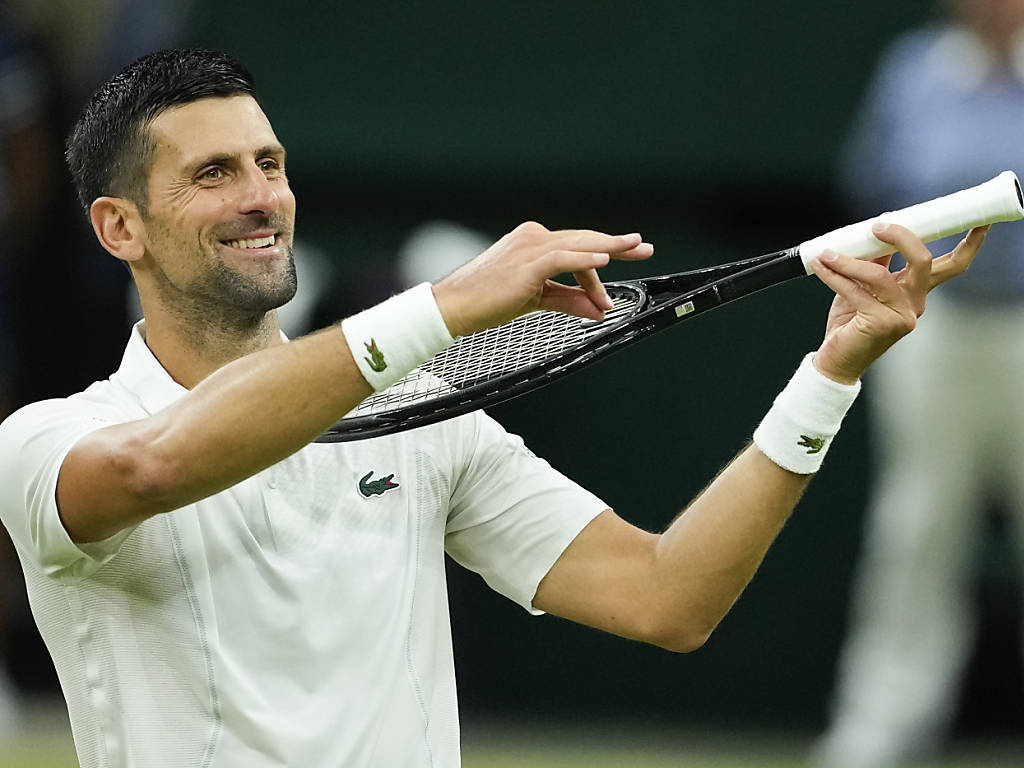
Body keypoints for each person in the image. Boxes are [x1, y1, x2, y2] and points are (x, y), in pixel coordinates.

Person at [0, 48, 990, 767]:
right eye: (213, 174)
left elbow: (666, 596)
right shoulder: (50, 443)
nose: (260, 196)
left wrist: (830, 372)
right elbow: (156, 467)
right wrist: (441, 307)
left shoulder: (425, 420)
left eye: (270, 164)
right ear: (118, 226)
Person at [814, 2, 1024, 766]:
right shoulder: (914, 70)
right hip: (934, 332)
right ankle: (878, 736)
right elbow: (874, 187)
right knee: (919, 527)